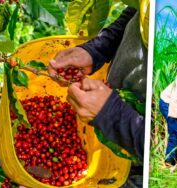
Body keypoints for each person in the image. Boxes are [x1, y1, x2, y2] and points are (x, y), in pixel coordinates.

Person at [48, 3, 148, 187]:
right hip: (110, 124)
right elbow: (142, 9)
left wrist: (113, 114)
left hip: (147, 170)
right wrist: (97, 48)